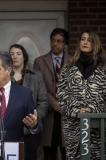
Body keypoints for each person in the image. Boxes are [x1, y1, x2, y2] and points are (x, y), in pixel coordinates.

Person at [57, 29, 106, 160]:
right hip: (73, 126)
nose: (85, 42)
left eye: (89, 40)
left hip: (98, 128)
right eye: (83, 39)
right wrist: (77, 110)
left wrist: (91, 111)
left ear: (96, 43)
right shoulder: (68, 68)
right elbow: (62, 95)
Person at [33, 28, 71, 160]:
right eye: (53, 40)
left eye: (59, 41)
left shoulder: (73, 62)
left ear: (65, 44)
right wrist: (54, 103)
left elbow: (76, 88)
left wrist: (64, 104)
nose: (55, 44)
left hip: (67, 114)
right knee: (49, 152)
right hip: (48, 112)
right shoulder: (39, 61)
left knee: (68, 152)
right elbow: (38, 86)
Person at [9, 44, 48, 160]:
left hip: (30, 128)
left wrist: (35, 119)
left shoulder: (36, 75)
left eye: (18, 54)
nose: (15, 57)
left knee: (30, 156)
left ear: (24, 57)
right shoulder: (4, 75)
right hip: (9, 128)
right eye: (12, 54)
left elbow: (43, 101)